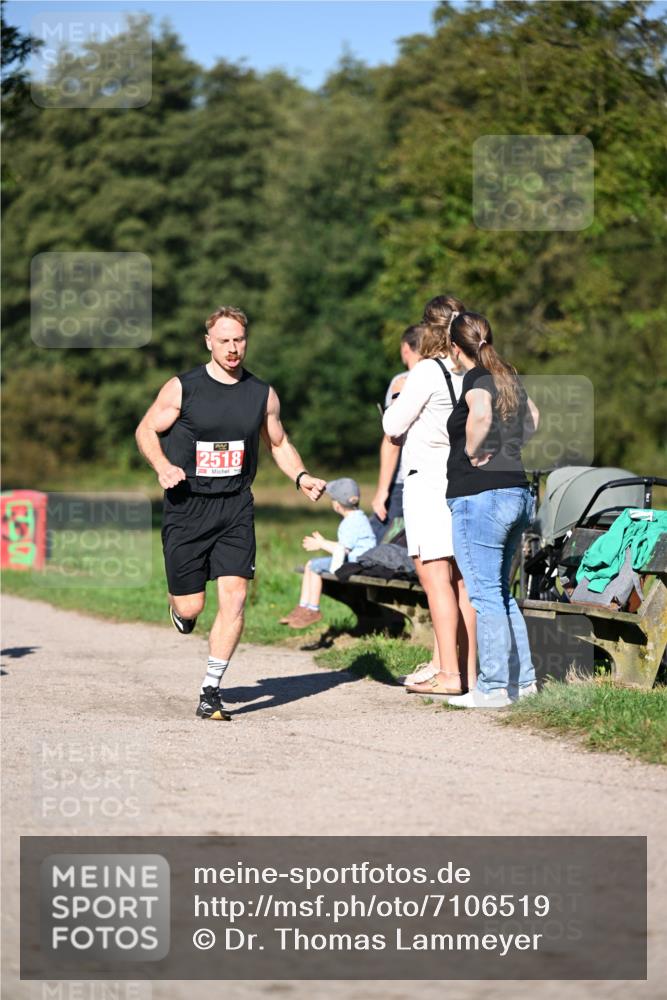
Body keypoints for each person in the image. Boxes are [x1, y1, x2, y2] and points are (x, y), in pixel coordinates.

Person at [135, 305, 326, 721]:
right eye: (224, 340)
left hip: (235, 505)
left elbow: (278, 443)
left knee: (236, 596)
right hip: (187, 503)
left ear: (246, 341)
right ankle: (178, 607)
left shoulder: (261, 393)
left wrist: (301, 476)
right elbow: (146, 429)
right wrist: (163, 466)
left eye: (239, 339)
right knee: (191, 607)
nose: (232, 348)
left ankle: (211, 689)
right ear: (209, 342)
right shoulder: (183, 388)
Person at [444, 312, 540, 708]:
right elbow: (533, 418)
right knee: (500, 593)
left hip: (480, 497)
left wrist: (472, 451)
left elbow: (481, 413)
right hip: (516, 492)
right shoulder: (507, 376)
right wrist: (509, 449)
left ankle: (494, 688)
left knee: (484, 596)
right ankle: (524, 684)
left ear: (455, 348)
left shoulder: (475, 377)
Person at [382, 300, 477, 695]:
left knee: (436, 579)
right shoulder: (472, 369)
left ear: (427, 329)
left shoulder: (426, 371)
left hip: (428, 484)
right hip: (465, 480)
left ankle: (449, 676)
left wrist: (398, 397)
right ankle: (466, 672)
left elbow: (392, 425)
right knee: (462, 582)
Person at [280, 478, 376, 628]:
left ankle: (313, 609)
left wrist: (321, 544)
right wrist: (323, 543)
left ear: (337, 504)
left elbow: (342, 550)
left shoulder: (349, 523)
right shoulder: (359, 517)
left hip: (357, 563)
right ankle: (303, 607)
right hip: (357, 560)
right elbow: (344, 548)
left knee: (314, 567)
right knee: (311, 564)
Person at [369, 327, 422, 544]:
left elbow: (392, 439)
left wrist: (382, 491)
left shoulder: (402, 382)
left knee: (382, 545)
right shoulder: (453, 378)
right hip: (441, 479)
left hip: (404, 480)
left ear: (406, 348)